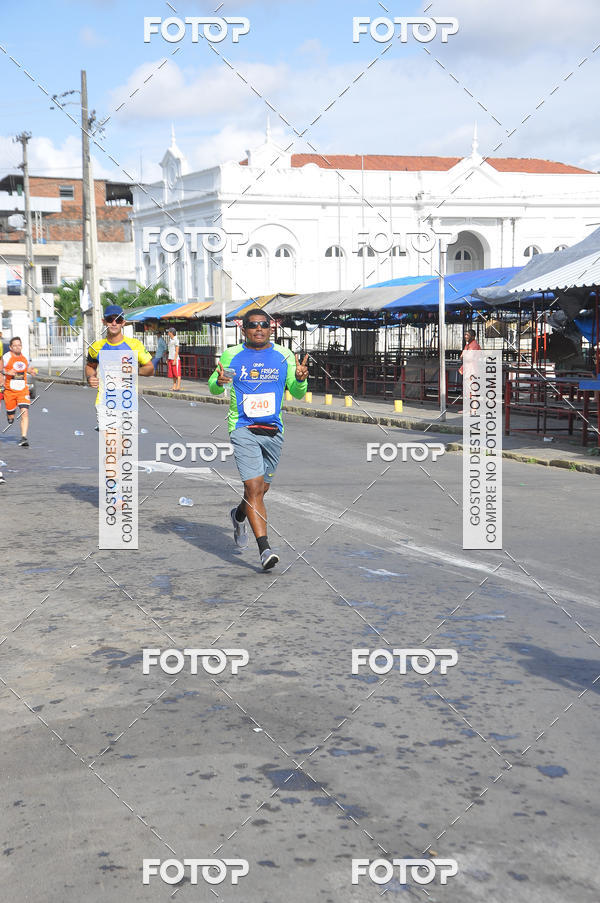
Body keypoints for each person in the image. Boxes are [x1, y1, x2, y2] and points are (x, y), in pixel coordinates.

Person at [208, 309, 309, 571]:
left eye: (264, 324)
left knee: (261, 490)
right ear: (244, 330)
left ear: (271, 328)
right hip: (242, 427)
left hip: (273, 429)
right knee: (253, 488)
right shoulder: (232, 355)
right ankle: (265, 549)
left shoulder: (284, 355)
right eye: (253, 325)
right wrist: (219, 381)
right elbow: (215, 386)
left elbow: (297, 393)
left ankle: (238, 514)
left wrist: (300, 379)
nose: (259, 329)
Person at [85, 305, 154, 430]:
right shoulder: (96, 347)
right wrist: (90, 377)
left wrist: (133, 370)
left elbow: (150, 369)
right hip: (105, 402)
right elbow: (90, 366)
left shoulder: (134, 345)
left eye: (118, 320)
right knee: (111, 441)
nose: (114, 323)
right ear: (104, 322)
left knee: (125, 442)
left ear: (123, 323)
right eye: (110, 320)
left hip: (128, 402)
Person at [0, 336, 38, 447]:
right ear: (11, 347)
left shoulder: (25, 356)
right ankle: (10, 416)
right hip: (9, 391)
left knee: (24, 412)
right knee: (11, 416)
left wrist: (30, 370)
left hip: (23, 390)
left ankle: (24, 437)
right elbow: (1, 369)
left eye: (19, 345)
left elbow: (26, 368)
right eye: (15, 345)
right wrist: (7, 372)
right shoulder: (6, 357)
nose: (18, 347)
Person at [167, 327, 181, 391]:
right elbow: (170, 350)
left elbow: (177, 350)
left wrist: (175, 360)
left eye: (168, 332)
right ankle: (174, 386)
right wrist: (168, 358)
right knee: (173, 374)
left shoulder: (176, 340)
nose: (168, 333)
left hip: (175, 359)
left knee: (177, 373)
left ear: (171, 333)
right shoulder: (170, 340)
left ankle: (178, 386)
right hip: (170, 358)